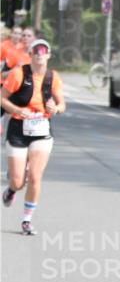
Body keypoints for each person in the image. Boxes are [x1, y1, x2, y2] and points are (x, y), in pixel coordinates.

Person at [1, 39, 65, 235]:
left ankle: (27, 221)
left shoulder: (52, 77)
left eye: (43, 50)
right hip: (19, 128)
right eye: (36, 50)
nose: (39, 54)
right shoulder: (18, 74)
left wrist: (56, 108)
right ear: (30, 54)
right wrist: (18, 110)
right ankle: (12, 189)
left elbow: (62, 104)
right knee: (18, 181)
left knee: (35, 177)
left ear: (49, 55)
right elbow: (2, 98)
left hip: (41, 131)